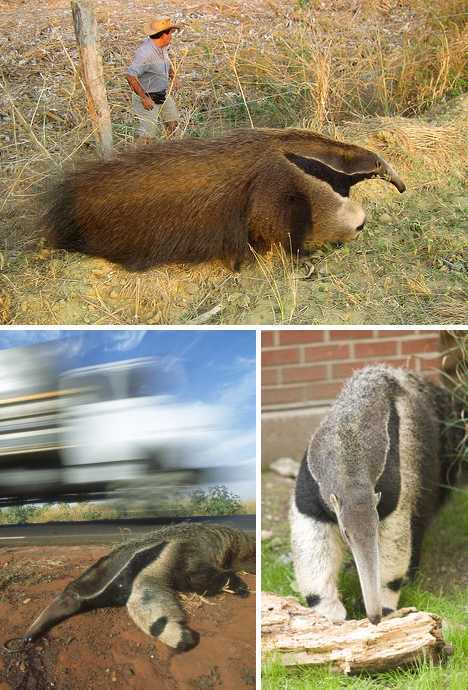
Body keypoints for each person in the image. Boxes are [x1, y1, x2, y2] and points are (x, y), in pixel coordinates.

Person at [126, 18, 180, 141]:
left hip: (163, 93)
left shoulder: (163, 46)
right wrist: (144, 98)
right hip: (147, 97)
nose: (172, 35)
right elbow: (130, 76)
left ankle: (170, 153)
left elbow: (166, 62)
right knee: (147, 136)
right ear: (163, 35)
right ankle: (139, 157)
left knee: (173, 125)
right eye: (170, 32)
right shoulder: (145, 53)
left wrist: (173, 77)